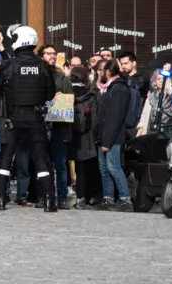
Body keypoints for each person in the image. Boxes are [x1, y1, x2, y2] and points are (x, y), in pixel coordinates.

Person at [0, 25, 56, 211]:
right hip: (36, 117)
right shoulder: (42, 65)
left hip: (13, 117)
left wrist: (7, 96)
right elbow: (51, 92)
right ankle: (50, 200)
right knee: (41, 158)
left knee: (5, 157)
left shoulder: (9, 65)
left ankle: (0, 199)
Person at [95, 59, 133, 211]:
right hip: (104, 136)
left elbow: (115, 117)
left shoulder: (118, 89)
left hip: (113, 137)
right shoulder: (110, 88)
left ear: (108, 72)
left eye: (103, 71)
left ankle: (125, 199)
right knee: (104, 168)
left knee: (114, 167)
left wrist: (107, 141)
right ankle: (108, 198)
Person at [42, 44, 73, 209]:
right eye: (48, 53)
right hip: (41, 125)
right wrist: (50, 100)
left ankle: (62, 197)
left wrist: (62, 98)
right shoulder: (39, 75)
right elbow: (36, 100)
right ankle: (44, 196)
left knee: (61, 165)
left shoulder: (62, 78)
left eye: (54, 53)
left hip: (59, 126)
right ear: (42, 56)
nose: (52, 56)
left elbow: (69, 101)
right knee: (43, 164)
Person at [68, 66, 103, 208]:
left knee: (75, 168)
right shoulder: (91, 95)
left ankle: (77, 196)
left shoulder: (67, 93)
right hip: (87, 137)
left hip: (70, 134)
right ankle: (86, 197)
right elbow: (95, 120)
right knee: (87, 169)